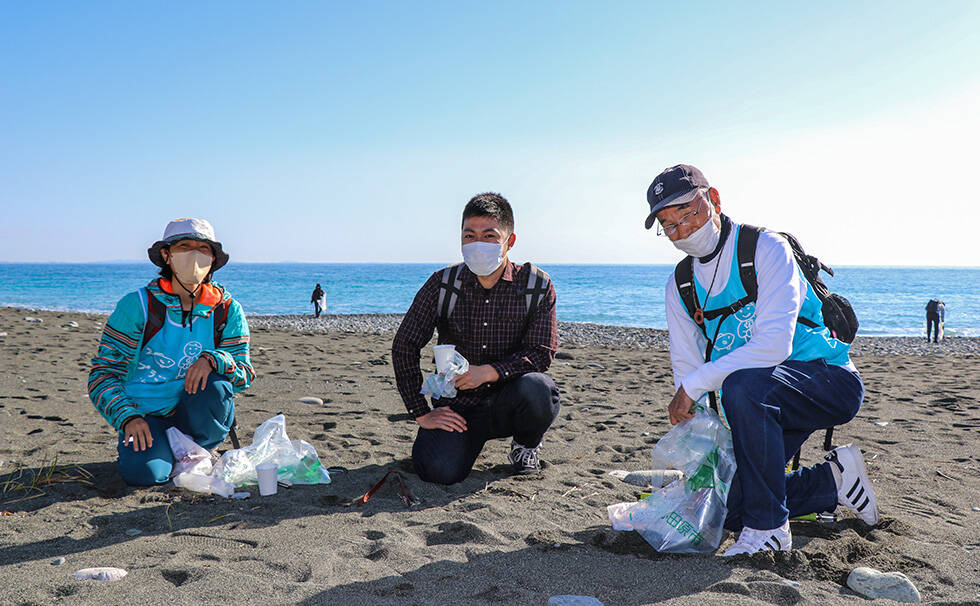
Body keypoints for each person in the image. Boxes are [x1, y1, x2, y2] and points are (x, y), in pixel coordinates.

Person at [644, 164, 878, 556]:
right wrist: (704, 454)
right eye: (668, 225)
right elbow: (687, 371)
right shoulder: (680, 284)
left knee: (743, 383)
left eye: (687, 213)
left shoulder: (765, 248)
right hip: (756, 404)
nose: (681, 230)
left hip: (825, 382)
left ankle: (769, 529)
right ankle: (832, 481)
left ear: (714, 199)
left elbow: (773, 347)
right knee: (725, 507)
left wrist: (694, 386)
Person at [392, 192, 560, 483]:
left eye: (489, 236)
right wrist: (420, 412)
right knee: (437, 471)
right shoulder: (443, 284)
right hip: (458, 407)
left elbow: (542, 352)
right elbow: (404, 344)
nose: (478, 245)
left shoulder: (535, 285)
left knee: (540, 389)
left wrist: (490, 372)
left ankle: (525, 446)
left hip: (512, 400)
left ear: (510, 241)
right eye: (469, 236)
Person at [88, 218, 254, 486]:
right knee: (145, 475)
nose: (194, 255)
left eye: (203, 248)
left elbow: (244, 373)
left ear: (213, 258)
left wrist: (212, 359)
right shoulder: (138, 305)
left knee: (217, 385)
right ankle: (166, 453)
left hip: (195, 414)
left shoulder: (226, 309)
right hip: (145, 417)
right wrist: (128, 417)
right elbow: (103, 375)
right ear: (166, 255)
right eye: (184, 246)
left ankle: (201, 448)